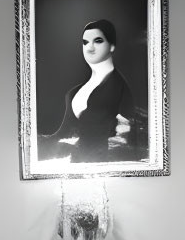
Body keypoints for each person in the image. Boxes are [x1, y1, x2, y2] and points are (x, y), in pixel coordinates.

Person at [43, 19, 137, 163]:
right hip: (72, 167)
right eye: (85, 42)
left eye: (98, 41)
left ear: (112, 46)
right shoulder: (74, 92)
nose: (90, 47)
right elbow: (63, 135)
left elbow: (124, 140)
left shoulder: (119, 88)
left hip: (101, 169)